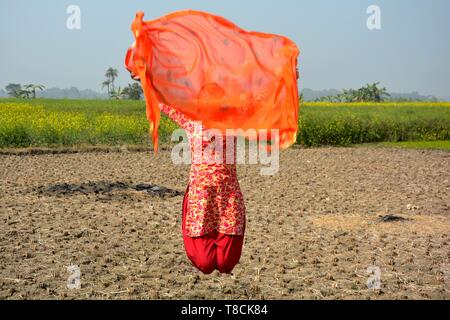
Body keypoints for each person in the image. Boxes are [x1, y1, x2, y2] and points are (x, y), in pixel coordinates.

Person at [158, 103, 246, 274]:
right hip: (201, 198)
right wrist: (146, 78)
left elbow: (262, 102)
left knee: (226, 262)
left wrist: (284, 78)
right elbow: (165, 102)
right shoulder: (191, 120)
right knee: (204, 263)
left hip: (227, 197)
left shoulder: (235, 118)